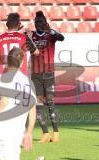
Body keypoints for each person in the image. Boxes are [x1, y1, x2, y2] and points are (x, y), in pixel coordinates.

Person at [27, 11, 64, 143]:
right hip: (36, 74)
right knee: (38, 104)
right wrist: (27, 36)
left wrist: (52, 31)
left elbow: (62, 38)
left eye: (41, 22)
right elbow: (24, 47)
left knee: (50, 102)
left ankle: (56, 133)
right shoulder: (31, 36)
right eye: (36, 22)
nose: (38, 24)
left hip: (48, 73)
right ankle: (45, 133)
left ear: (45, 23)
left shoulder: (50, 34)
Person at [0, 12, 37, 104]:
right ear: (19, 24)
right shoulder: (24, 37)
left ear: (7, 24)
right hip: (20, 76)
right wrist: (30, 37)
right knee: (22, 107)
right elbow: (36, 52)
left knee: (3, 108)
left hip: (4, 77)